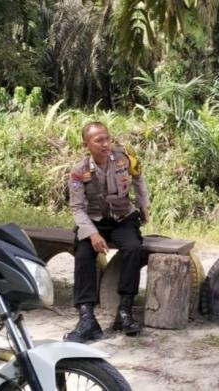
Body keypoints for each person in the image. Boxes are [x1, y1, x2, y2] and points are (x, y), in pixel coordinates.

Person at [64, 121, 150, 343]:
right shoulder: (78, 171)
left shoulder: (124, 157)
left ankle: (124, 312)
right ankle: (87, 318)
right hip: (94, 221)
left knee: (133, 249)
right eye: (98, 140)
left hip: (122, 218)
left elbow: (138, 178)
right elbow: (77, 208)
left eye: (107, 138)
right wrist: (92, 234)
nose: (105, 144)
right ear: (86, 144)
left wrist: (143, 205)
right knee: (83, 255)